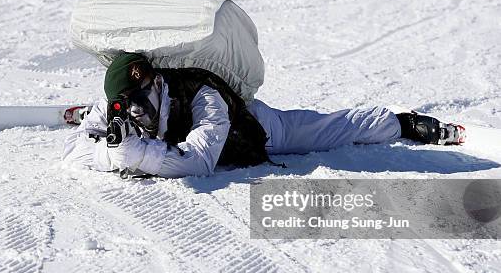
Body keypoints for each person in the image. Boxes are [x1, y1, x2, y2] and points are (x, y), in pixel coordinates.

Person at [63, 53, 465, 178]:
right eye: (124, 103)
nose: (131, 110)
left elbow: (202, 161)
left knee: (326, 131)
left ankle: (400, 122)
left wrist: (138, 155)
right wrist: (114, 152)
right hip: (167, 141)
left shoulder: (203, 96)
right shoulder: (119, 107)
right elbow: (71, 154)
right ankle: (82, 113)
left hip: (253, 129)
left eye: (136, 97)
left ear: (153, 82)